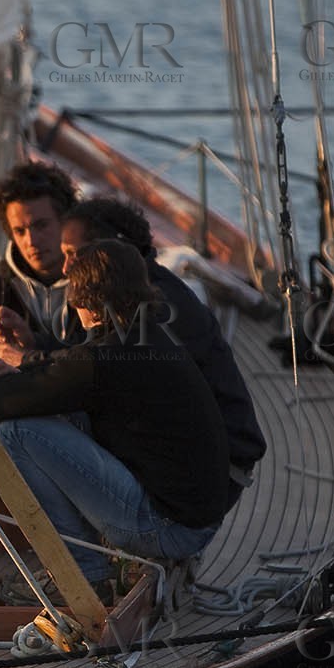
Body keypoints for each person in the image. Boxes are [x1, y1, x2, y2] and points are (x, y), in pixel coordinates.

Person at [0, 240, 231, 604]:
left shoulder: (106, 360)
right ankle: (92, 563)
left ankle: (84, 572)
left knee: (17, 432)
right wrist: (27, 363)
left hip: (168, 529)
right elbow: (74, 365)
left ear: (85, 304)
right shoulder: (148, 335)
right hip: (197, 519)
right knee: (66, 412)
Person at [58, 197, 267, 505]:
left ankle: (88, 545)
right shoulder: (133, 289)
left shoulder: (158, 307)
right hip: (195, 460)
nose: (65, 267)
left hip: (212, 474)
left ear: (110, 250)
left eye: (75, 255)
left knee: (36, 431)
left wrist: (28, 367)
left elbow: (94, 374)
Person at [0, 162, 85, 367]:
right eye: (19, 231)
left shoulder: (98, 280)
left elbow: (103, 357)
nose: (31, 241)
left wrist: (29, 352)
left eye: (41, 225)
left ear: (67, 221)